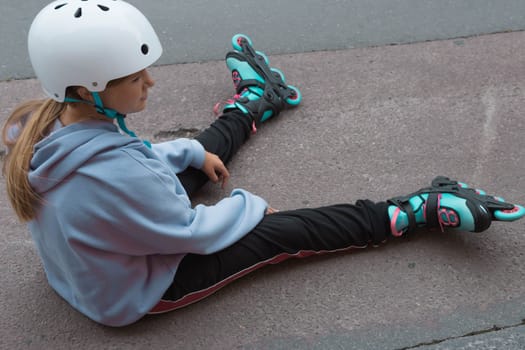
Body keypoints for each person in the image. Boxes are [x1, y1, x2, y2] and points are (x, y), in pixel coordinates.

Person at [2, 0, 524, 327]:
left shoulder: (47, 121)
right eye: (135, 77)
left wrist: (188, 152)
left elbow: (134, 167)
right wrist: (247, 209)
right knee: (276, 232)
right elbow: (191, 233)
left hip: (106, 252)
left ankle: (255, 102)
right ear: (92, 85)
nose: (150, 83)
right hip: (137, 291)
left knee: (197, 159)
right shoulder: (114, 175)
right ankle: (412, 211)